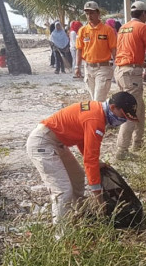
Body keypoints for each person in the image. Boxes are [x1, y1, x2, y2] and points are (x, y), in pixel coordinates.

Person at [26, 92, 138, 224]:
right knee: (62, 190)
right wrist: (98, 198)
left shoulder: (97, 112)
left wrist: (96, 162)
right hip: (43, 143)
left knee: (78, 176)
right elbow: (90, 161)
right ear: (113, 108)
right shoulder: (95, 120)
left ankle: (80, 214)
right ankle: (62, 235)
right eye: (123, 116)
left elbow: (82, 140)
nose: (123, 121)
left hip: (57, 142)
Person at [114, 1, 146, 160]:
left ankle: (138, 143)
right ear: (144, 14)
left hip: (121, 71)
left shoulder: (123, 28)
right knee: (131, 110)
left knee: (140, 108)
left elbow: (127, 53)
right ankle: (122, 150)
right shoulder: (143, 27)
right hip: (131, 74)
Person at [75, 1, 117, 101]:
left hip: (103, 68)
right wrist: (77, 66)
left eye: (92, 13)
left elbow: (114, 49)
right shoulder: (83, 30)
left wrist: (117, 66)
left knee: (98, 100)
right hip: (88, 68)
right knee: (94, 99)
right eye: (87, 13)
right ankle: (100, 116)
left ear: (98, 13)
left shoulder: (107, 30)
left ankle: (100, 115)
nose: (89, 16)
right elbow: (79, 49)